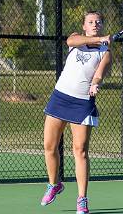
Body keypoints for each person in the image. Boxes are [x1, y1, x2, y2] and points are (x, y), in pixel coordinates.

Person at [40, 11, 112, 214]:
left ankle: (82, 199)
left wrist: (96, 84)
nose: (95, 24)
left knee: (80, 151)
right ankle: (54, 185)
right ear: (84, 26)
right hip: (60, 98)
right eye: (91, 22)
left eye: (98, 22)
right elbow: (70, 40)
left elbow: (100, 74)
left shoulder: (105, 52)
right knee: (49, 146)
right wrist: (98, 39)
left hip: (82, 103)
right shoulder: (76, 40)